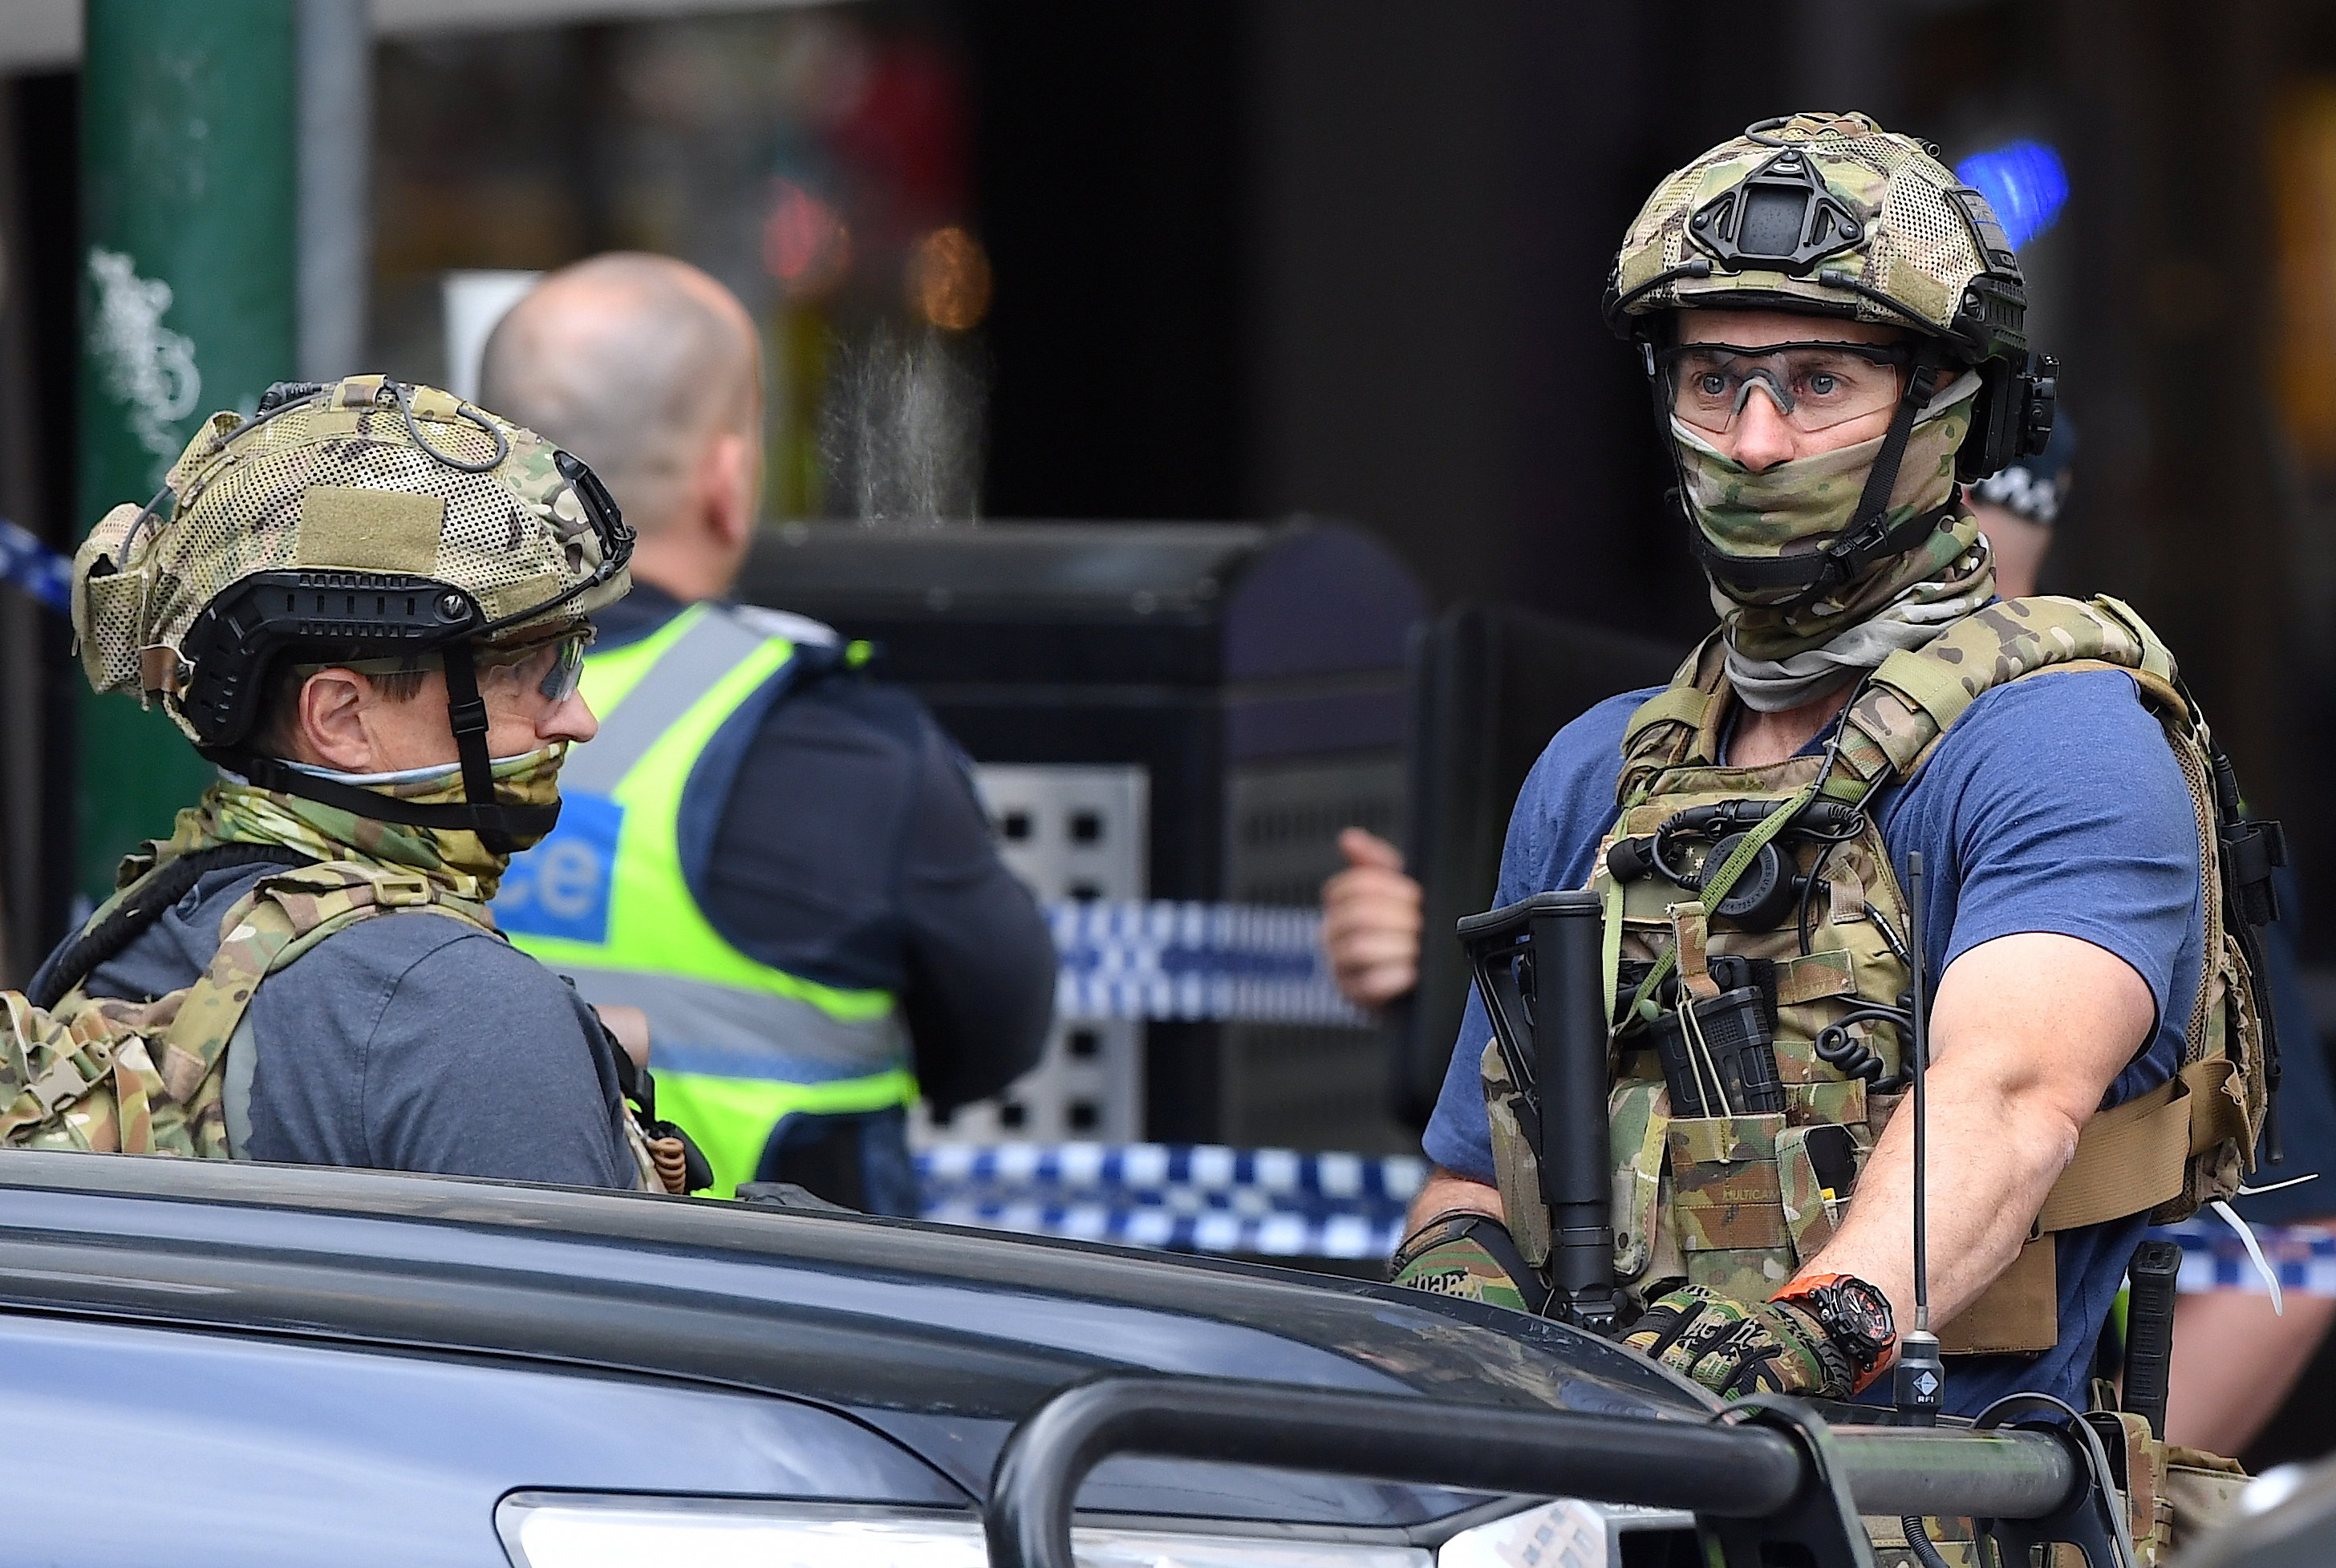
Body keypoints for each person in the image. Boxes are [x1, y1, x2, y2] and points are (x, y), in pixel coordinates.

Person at [1389, 112, 2274, 1418]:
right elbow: (1477, 1168)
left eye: (1815, 383)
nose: (1752, 442)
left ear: (1950, 411)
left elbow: (2012, 1091)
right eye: (1712, 382)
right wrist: (1454, 1282)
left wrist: (1823, 1326)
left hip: (1938, 1514)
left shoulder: (2058, 743)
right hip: (1611, 1503)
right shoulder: (1600, 770)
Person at [477, 253, 1055, 1212]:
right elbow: (998, 1036)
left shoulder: (374, 709)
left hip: (452, 1302)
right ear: (727, 474)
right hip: (776, 1326)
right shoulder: (836, 738)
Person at [35, 375, 656, 1188]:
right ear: (340, 719)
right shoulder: (466, 1015)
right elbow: (581, 1315)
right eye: (531, 672)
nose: (577, 719)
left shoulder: (139, 921)